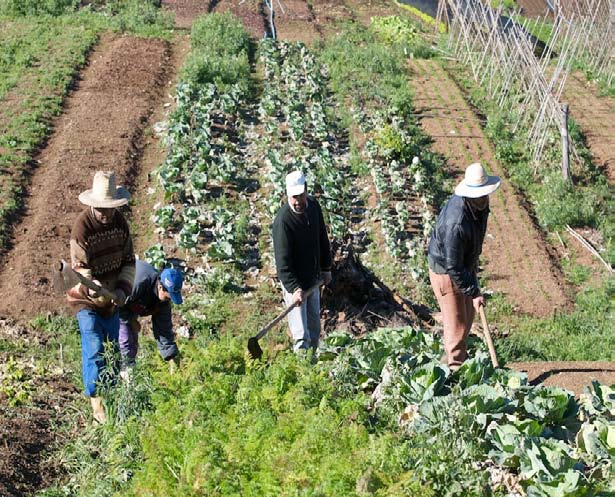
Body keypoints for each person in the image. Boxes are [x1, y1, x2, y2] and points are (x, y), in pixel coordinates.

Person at [67, 170, 136, 423]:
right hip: (86, 299)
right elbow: (80, 271)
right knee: (95, 348)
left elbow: (129, 261)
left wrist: (121, 290)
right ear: (93, 204)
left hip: (112, 299)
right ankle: (97, 408)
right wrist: (97, 288)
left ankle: (113, 399)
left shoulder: (120, 224)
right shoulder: (81, 228)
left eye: (110, 208)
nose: (106, 214)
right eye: (101, 209)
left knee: (112, 351)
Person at [427, 163, 501, 371]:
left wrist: (472, 275)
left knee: (468, 316)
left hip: (462, 265)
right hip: (447, 272)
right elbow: (453, 266)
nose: (485, 198)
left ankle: (450, 361)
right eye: (481, 195)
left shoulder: (479, 205)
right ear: (470, 195)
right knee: (456, 323)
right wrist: (474, 291)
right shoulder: (456, 223)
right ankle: (454, 371)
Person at [272, 171, 333, 353]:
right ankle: (303, 373)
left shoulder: (313, 207)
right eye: (293, 197)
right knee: (301, 334)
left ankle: (313, 365)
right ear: (287, 195)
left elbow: (322, 237)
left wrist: (326, 268)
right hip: (295, 284)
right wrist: (294, 288)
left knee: (314, 329)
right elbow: (282, 264)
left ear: (306, 190)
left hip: (313, 280)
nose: (298, 201)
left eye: (300, 195)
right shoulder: (283, 222)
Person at [119, 260, 183, 373]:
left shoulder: (163, 302)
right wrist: (132, 320)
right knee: (125, 340)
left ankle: (129, 377)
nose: (168, 301)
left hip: (130, 304)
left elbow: (164, 330)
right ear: (160, 287)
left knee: (133, 342)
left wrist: (172, 358)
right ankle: (122, 378)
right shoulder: (139, 282)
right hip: (114, 299)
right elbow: (119, 304)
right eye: (168, 297)